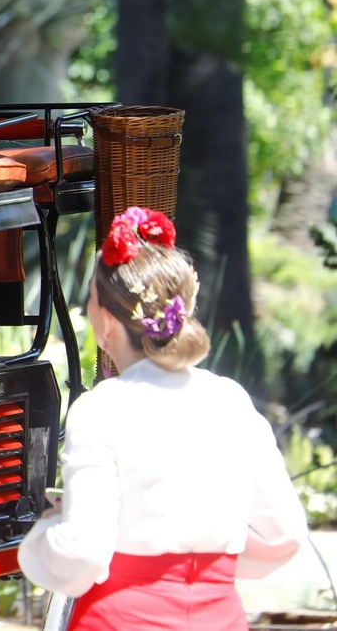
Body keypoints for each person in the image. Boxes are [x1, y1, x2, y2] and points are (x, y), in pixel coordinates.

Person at [19, 207, 307, 630]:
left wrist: (50, 530)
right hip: (217, 617)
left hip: (121, 617)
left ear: (107, 323)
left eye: (92, 297)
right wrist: (204, 555)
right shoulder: (230, 400)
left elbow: (82, 553)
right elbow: (284, 534)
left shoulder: (104, 408)